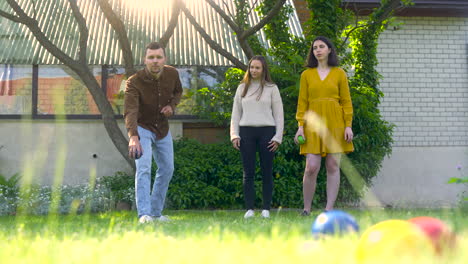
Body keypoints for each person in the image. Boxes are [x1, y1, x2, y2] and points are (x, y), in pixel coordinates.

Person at [294, 36, 354, 216]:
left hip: (336, 122)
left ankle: (328, 210)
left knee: (333, 165)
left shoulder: (340, 73)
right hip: (312, 124)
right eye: (314, 48)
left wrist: (348, 125)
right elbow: (302, 102)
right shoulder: (306, 75)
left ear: (329, 50)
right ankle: (306, 209)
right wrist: (300, 126)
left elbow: (346, 101)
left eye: (321, 47)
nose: (318, 50)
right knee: (311, 166)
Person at [124, 42, 183, 223]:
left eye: (158, 57)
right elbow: (130, 110)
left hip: (162, 129)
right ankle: (144, 214)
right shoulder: (134, 82)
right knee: (144, 168)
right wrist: (134, 136)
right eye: (151, 57)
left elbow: (178, 91)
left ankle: (156, 214)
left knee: (167, 169)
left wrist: (171, 106)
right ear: (145, 60)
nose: (155, 61)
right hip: (142, 128)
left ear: (164, 59)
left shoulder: (172, 73)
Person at [230, 55, 284, 219]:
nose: (254, 70)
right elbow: (235, 114)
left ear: (263, 69)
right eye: (251, 67)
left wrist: (277, 137)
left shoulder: (272, 88)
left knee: (267, 172)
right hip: (246, 132)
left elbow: (279, 115)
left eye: (257, 68)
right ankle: (250, 209)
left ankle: (266, 209)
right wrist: (234, 134)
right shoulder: (242, 88)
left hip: (267, 133)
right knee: (248, 173)